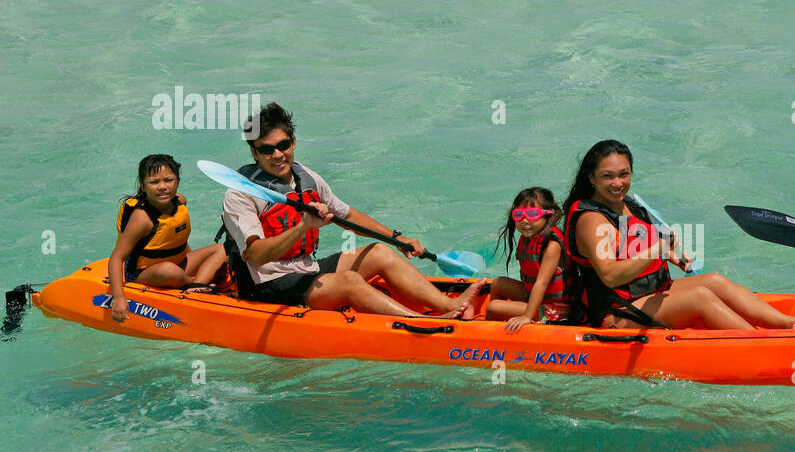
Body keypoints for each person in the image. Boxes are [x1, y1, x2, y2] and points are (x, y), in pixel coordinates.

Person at [220, 103, 484, 318]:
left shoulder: (306, 177)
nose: (278, 154)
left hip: (306, 268)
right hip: (267, 284)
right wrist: (303, 227)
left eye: (283, 145)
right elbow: (255, 255)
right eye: (267, 149)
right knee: (350, 281)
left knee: (380, 252)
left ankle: (450, 306)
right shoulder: (240, 193)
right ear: (254, 152)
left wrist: (396, 237)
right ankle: (424, 324)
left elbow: (347, 215)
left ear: (294, 142)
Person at [561, 140, 795, 330]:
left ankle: (788, 322)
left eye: (624, 174)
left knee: (714, 281)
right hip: (616, 311)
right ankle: (759, 343)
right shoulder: (591, 220)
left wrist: (671, 257)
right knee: (699, 296)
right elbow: (609, 274)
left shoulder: (627, 204)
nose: (618, 183)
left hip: (647, 294)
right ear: (592, 178)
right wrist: (656, 251)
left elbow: (633, 251)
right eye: (607, 176)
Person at [108, 155, 227, 323]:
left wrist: (196, 263)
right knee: (168, 270)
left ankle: (195, 284)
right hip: (144, 272)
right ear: (143, 186)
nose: (162, 187)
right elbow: (116, 258)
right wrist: (118, 297)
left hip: (179, 265)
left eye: (168, 180)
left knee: (223, 248)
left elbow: (173, 237)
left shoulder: (180, 202)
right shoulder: (142, 219)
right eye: (154, 182)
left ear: (177, 181)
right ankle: (195, 282)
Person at [485, 187, 571, 332]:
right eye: (519, 214)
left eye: (532, 214)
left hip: (556, 309)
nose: (525, 220)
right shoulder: (529, 238)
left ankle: (500, 321)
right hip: (535, 297)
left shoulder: (551, 245)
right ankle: (498, 321)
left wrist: (527, 316)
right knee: (498, 283)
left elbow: (541, 283)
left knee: (493, 307)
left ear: (548, 215)